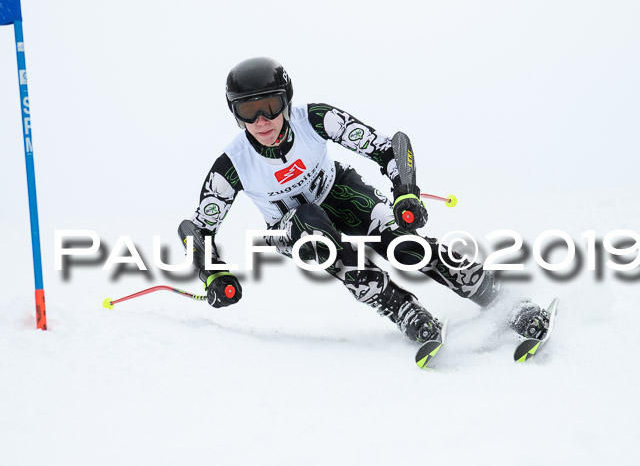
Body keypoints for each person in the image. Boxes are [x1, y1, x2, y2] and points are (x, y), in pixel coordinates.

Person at [178, 57, 549, 343]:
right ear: (235, 113)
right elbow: (197, 229)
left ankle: (502, 300)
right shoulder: (233, 165)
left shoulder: (316, 119)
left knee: (405, 246)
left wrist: (405, 192)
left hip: (340, 192)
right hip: (289, 226)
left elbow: (391, 147)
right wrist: (212, 273)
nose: (261, 121)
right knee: (318, 233)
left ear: (286, 101)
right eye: (247, 110)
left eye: (270, 106)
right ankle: (405, 311)